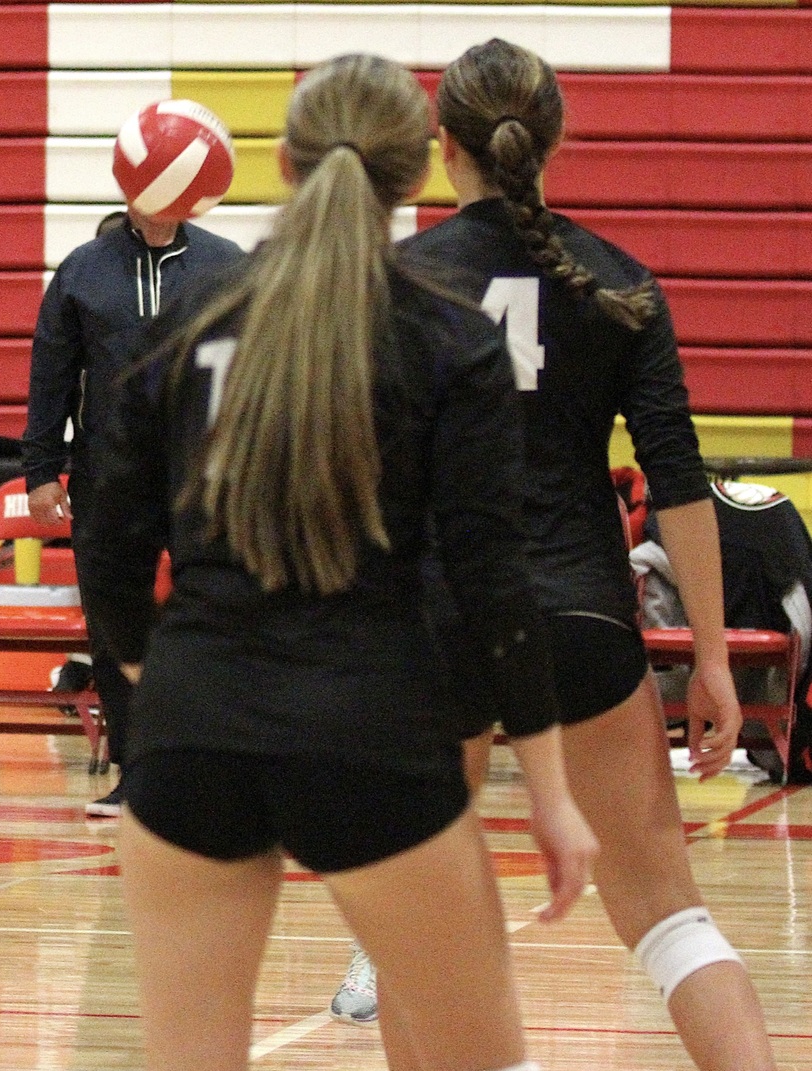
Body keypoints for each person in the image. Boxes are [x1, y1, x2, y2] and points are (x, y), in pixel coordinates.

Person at [76, 54, 597, 1071]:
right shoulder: (445, 335)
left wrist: (157, 679)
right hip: (368, 729)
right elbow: (494, 578)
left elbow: (109, 536)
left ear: (284, 161)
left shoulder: (188, 322)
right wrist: (548, 788)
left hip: (194, 732)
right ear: (420, 172)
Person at [382, 38, 777, 1071]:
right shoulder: (620, 281)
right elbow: (678, 480)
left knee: (415, 924)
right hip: (583, 617)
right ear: (554, 141)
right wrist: (714, 659)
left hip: (441, 625)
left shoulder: (400, 280)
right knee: (668, 917)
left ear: (444, 145)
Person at [22, 129, 245, 818]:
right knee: (115, 623)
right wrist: (40, 470)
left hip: (207, 470)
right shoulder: (84, 269)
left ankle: (224, 762)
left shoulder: (227, 264)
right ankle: (136, 770)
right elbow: (51, 375)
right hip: (108, 473)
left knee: (220, 611)